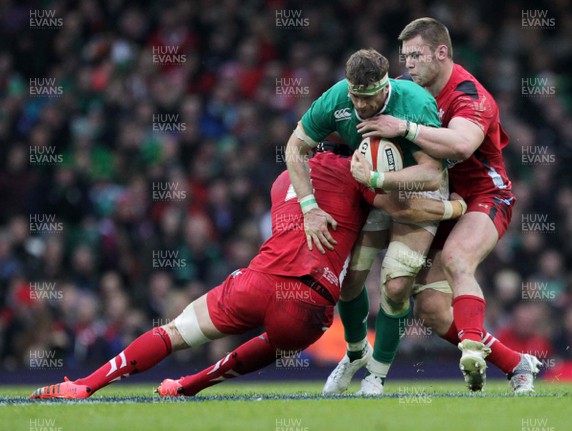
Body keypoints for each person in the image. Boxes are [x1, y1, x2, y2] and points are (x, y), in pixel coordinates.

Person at [29, 146, 466, 399]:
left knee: (176, 331)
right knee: (276, 341)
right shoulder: (357, 177)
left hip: (260, 281)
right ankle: (189, 386)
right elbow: (400, 205)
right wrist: (451, 206)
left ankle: (85, 386)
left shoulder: (281, 179)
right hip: (313, 303)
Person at [348, 17, 541, 392]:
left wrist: (403, 129)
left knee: (456, 259)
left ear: (441, 52)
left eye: (417, 55)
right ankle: (516, 364)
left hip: (484, 196)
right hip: (437, 199)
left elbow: (462, 145)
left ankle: (470, 350)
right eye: (405, 57)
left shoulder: (470, 94)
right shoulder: (404, 89)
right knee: (433, 312)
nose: (409, 64)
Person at [285, 48, 452, 395]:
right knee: (348, 282)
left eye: (368, 97)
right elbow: (294, 148)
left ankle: (376, 375)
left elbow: (433, 174)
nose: (360, 106)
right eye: (355, 97)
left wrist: (377, 180)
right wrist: (310, 207)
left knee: (395, 284)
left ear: (385, 84)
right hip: (372, 184)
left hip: (416, 189)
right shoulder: (336, 98)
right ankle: (357, 353)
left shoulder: (413, 101)